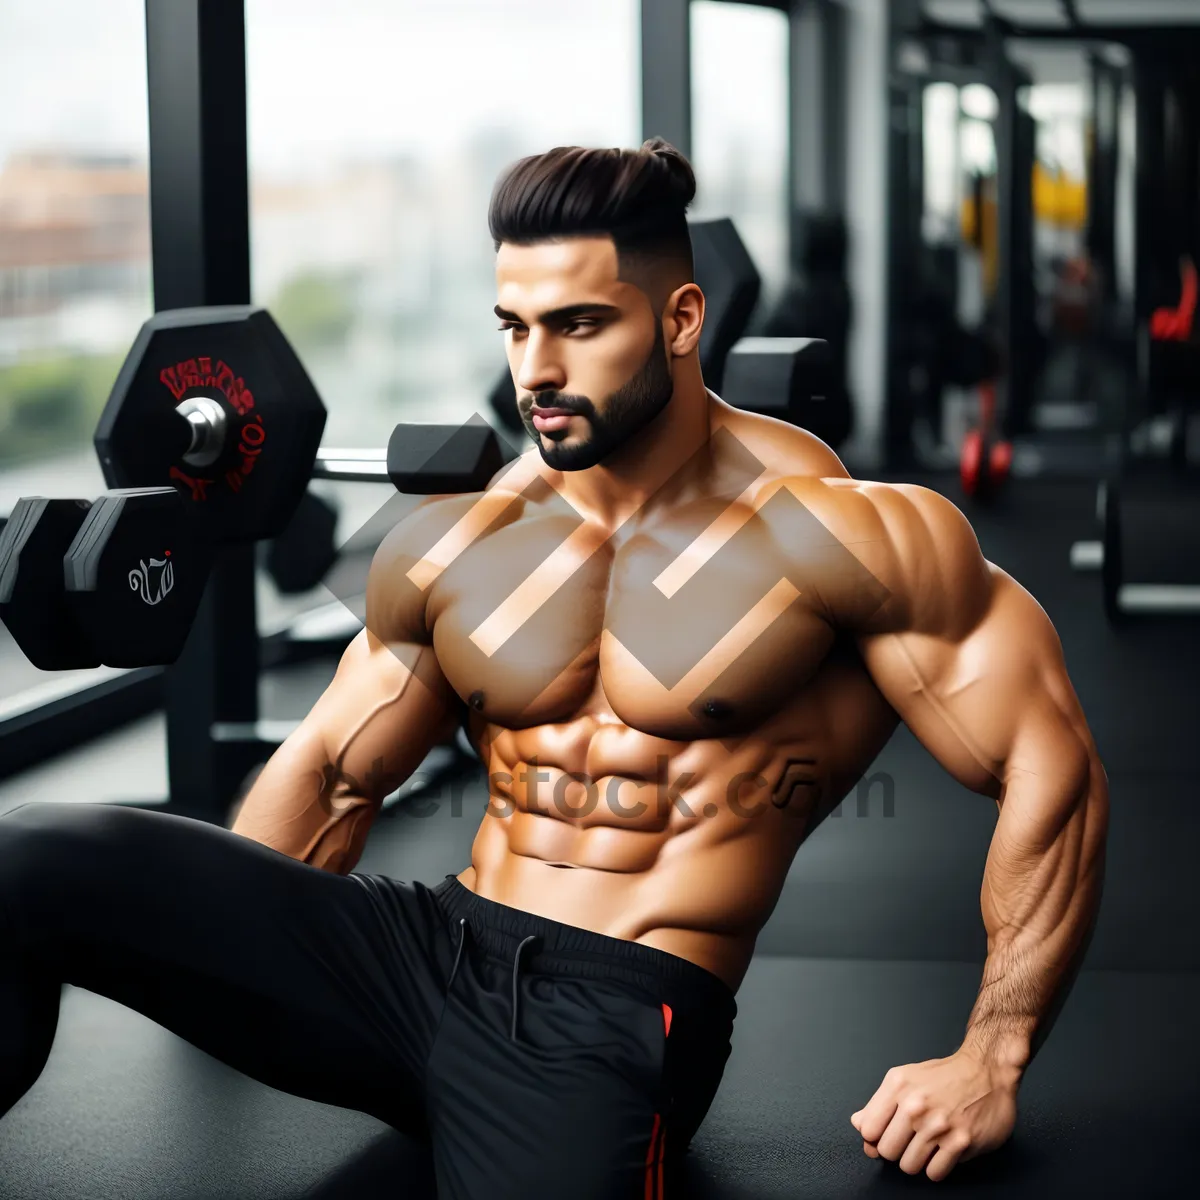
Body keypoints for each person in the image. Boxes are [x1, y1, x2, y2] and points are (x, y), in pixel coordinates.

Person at [0, 139, 1108, 1199]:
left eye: (578, 325)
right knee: (31, 855)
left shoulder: (838, 535)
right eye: (515, 326)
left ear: (682, 318)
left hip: (614, 1008)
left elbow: (1049, 771)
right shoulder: (464, 542)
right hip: (422, 953)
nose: (536, 368)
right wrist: (236, 945)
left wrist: (989, 1060)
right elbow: (335, 772)